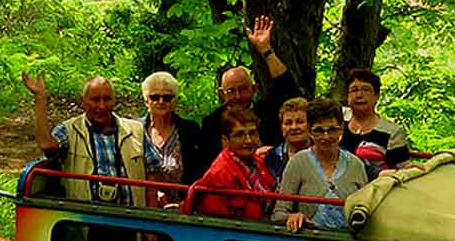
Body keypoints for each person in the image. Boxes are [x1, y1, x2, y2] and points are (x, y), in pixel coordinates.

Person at [22, 72, 145, 204]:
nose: (101, 106)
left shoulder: (136, 130)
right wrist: (41, 99)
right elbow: (47, 145)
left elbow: (153, 172)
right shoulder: (69, 129)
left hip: (130, 217)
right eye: (95, 99)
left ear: (114, 100)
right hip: (84, 217)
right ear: (82, 101)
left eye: (107, 99)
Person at [197, 16, 302, 162]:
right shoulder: (211, 123)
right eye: (231, 91)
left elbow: (287, 87)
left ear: (254, 89)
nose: (238, 96)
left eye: (243, 89)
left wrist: (266, 50)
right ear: (221, 94)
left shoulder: (267, 112)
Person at [273, 96, 369, 232]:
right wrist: (292, 217)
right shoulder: (298, 162)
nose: (326, 137)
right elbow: (279, 213)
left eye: (332, 130)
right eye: (318, 131)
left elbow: (366, 212)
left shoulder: (355, 165)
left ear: (341, 128)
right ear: (310, 131)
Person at [186, 106, 276, 220]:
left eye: (252, 133)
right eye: (239, 135)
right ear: (225, 141)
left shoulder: (259, 163)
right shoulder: (218, 175)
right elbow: (217, 226)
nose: (248, 140)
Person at [139, 71, 205, 208]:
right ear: (146, 101)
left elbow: (201, 172)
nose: (161, 102)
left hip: (182, 207)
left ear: (175, 101)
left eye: (167, 97)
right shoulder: (136, 130)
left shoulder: (190, 130)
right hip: (143, 207)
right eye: (155, 97)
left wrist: (186, 203)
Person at [341, 68, 409, 170]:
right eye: (354, 90)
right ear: (347, 96)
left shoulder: (392, 132)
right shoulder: (338, 119)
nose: (359, 95)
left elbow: (402, 169)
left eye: (366, 90)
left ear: (377, 96)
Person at [260, 96, 310, 184]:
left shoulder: (321, 155)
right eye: (288, 123)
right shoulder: (271, 157)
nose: (294, 127)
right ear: (281, 127)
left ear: (310, 125)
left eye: (300, 122)